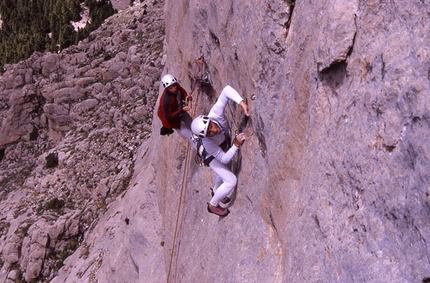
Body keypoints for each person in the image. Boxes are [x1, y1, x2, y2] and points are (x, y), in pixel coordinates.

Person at [191, 85, 250, 216]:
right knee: (230, 180)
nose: (214, 130)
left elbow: (226, 90)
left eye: (211, 126)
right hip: (210, 157)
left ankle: (217, 190)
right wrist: (236, 144)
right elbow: (223, 158)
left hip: (222, 145)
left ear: (209, 120)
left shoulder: (215, 113)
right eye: (209, 133)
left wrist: (241, 102)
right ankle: (213, 205)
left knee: (224, 172)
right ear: (205, 136)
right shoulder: (208, 142)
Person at [157, 74, 197, 149]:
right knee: (192, 138)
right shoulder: (166, 100)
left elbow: (182, 91)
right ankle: (203, 154)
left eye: (174, 86)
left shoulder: (176, 86)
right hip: (174, 122)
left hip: (180, 112)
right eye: (171, 88)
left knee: (195, 127)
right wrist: (182, 110)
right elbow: (169, 117)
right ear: (167, 89)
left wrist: (186, 97)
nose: (174, 89)